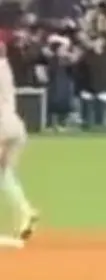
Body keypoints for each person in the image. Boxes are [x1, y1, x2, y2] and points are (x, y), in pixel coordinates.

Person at [0, 40, 36, 241]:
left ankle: (26, 211)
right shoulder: (5, 67)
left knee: (3, 174)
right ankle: (26, 211)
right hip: (15, 126)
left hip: (2, 126)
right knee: (4, 175)